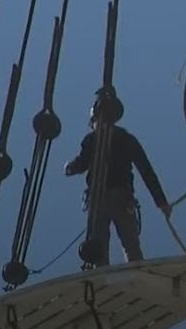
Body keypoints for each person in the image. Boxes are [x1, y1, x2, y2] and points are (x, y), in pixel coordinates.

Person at [65, 107, 170, 267]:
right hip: (121, 198)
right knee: (131, 247)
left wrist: (69, 167)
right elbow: (146, 171)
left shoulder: (92, 139)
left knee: (99, 250)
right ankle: (136, 273)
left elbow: (81, 163)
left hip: (100, 200)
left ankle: (103, 280)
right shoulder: (126, 139)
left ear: (95, 120)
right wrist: (161, 202)